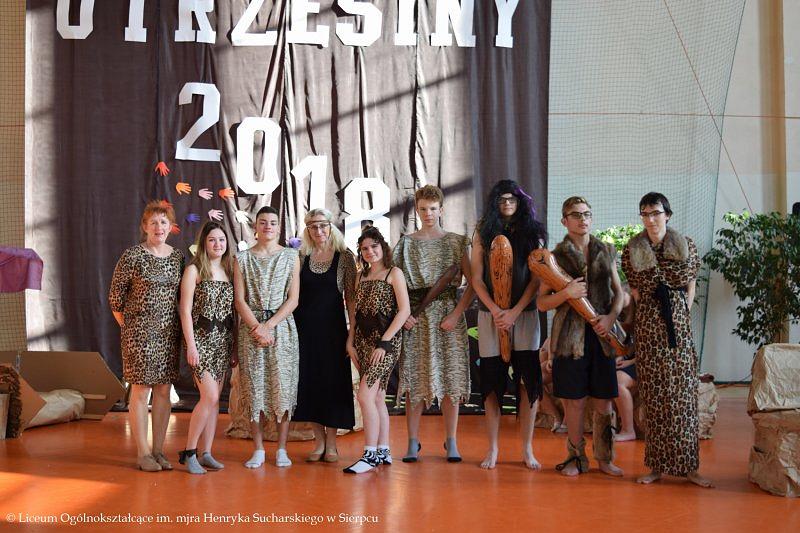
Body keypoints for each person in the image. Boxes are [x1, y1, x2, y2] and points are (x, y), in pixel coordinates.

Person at [621, 192, 713, 487]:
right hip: (649, 328)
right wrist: (650, 314)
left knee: (683, 398)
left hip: (679, 329)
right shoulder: (632, 249)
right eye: (645, 214)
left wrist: (681, 310)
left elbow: (689, 283)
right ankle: (656, 466)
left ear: (667, 214)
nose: (650, 219)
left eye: (655, 213)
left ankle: (690, 468)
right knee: (654, 398)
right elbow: (637, 289)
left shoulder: (686, 245)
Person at [537, 196, 624, 477]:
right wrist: (566, 293)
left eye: (587, 214)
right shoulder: (553, 258)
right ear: (564, 221)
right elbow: (542, 303)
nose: (582, 219)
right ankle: (575, 458)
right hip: (568, 340)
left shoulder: (606, 250)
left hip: (602, 337)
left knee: (604, 400)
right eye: (576, 215)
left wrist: (610, 318)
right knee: (574, 402)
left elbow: (619, 293)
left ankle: (605, 458)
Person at [393, 185, 474, 463]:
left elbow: (472, 284)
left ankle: (451, 440)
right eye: (423, 209)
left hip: (448, 316)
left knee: (451, 377)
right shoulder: (405, 244)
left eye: (433, 208)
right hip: (416, 318)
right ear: (417, 210)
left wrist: (456, 314)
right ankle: (412, 441)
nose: (428, 213)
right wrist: (405, 314)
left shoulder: (457, 242)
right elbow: (395, 284)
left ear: (441, 209)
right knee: (415, 377)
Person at [470, 179, 547, 470]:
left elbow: (537, 278)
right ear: (495, 202)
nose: (507, 204)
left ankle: (527, 448)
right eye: (501, 199)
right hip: (491, 316)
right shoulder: (483, 231)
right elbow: (476, 278)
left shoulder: (533, 231)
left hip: (524, 315)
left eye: (512, 199)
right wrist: (495, 310)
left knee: (528, 383)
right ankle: (492, 448)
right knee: (492, 384)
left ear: (520, 201)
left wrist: (514, 311)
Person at [109, 200, 184, 472]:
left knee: (163, 390)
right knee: (141, 390)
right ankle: (143, 453)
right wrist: (132, 328)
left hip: (169, 335)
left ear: (170, 226)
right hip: (139, 335)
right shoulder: (132, 256)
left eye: (163, 222)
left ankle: (158, 451)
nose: (158, 227)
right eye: (153, 222)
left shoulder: (178, 258)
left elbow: (182, 297)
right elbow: (115, 299)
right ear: (144, 226)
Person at [233, 206, 301, 469]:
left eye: (273, 222)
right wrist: (257, 328)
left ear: (278, 227)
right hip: (251, 331)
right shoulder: (242, 259)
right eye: (263, 222)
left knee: (283, 388)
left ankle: (282, 448)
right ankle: (258, 449)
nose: (268, 226)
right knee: (255, 389)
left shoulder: (291, 256)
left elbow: (293, 299)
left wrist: (269, 326)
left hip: (281, 329)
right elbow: (240, 300)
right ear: (256, 227)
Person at [343, 227, 410, 474]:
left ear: (382, 246)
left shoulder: (394, 273)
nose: (370, 251)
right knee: (378, 396)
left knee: (365, 396)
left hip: (385, 343)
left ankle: (369, 454)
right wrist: (350, 341)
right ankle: (383, 449)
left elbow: (404, 311)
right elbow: (355, 313)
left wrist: (384, 342)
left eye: (374, 246)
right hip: (362, 342)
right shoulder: (360, 277)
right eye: (365, 248)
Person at [293, 208, 357, 463]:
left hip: (334, 332)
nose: (318, 230)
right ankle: (318, 442)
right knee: (310, 385)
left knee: (333, 385)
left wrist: (351, 334)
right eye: (313, 226)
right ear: (307, 230)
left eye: (322, 225)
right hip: (305, 332)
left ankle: (331, 443)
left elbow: (351, 299)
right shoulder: (301, 256)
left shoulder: (345, 257)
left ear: (331, 226)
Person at [177, 222, 235, 474]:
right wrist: (191, 345)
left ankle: (206, 452)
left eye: (221, 239)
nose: (217, 244)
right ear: (204, 243)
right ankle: (189, 452)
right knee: (209, 396)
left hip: (223, 341)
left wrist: (234, 347)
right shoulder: (194, 270)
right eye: (212, 240)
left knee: (214, 401)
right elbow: (185, 310)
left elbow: (233, 312)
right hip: (201, 341)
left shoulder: (228, 270)